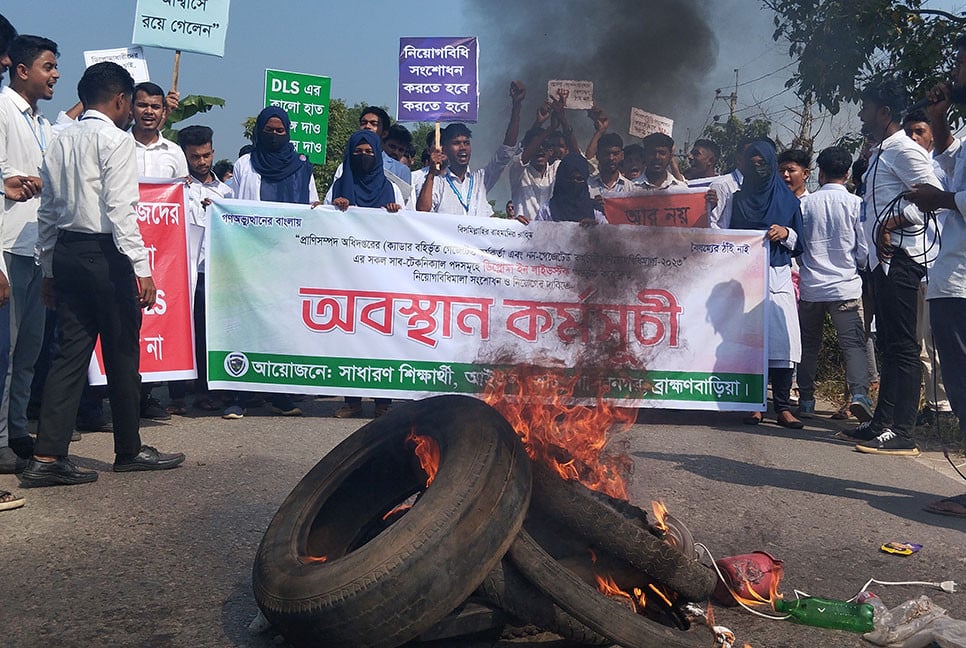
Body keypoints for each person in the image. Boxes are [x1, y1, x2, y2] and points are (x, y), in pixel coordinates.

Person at [20, 62, 185, 487]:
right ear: (120, 100)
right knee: (123, 353)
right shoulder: (116, 141)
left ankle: (48, 455)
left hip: (68, 252)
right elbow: (121, 211)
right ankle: (129, 450)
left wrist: (50, 269)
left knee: (71, 353)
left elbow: (49, 211)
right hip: (106, 254)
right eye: (131, 102)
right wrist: (142, 270)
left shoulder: (59, 139)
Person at [845, 79, 942, 456]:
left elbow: (931, 197)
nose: (860, 113)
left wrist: (891, 223)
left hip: (902, 259)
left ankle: (903, 431)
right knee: (886, 342)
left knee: (902, 346)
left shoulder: (904, 149)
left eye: (866, 107)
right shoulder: (880, 151)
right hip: (879, 263)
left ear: (884, 112)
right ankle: (881, 423)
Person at [905, 34, 966, 516]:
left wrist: (939, 201)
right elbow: (946, 163)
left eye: (963, 65)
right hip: (952, 279)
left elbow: (952, 193)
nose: (956, 73)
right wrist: (942, 117)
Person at [225, 106, 317, 419]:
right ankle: (239, 394)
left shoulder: (303, 166)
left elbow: (312, 206)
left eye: (280, 131)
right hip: (250, 257)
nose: (275, 135)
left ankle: (280, 395)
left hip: (286, 258)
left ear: (288, 132)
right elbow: (232, 207)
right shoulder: (244, 164)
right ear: (259, 131)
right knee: (247, 325)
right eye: (269, 130)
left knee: (281, 326)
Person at [0, 35, 58, 477]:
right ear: (22, 69)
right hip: (7, 248)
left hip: (36, 248)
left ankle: (18, 429)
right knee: (6, 349)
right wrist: (9, 179)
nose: (55, 73)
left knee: (29, 351)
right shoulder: (2, 111)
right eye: (47, 66)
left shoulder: (41, 123)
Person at [325, 130, 403, 419]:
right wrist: (336, 207)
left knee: (382, 338)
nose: (363, 157)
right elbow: (324, 222)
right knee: (351, 337)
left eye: (369, 152)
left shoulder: (389, 189)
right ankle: (352, 401)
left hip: (381, 277)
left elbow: (401, 230)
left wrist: (394, 212)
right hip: (347, 274)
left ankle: (384, 403)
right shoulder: (339, 186)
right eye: (357, 152)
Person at [726, 140, 804, 429]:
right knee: (752, 344)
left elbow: (801, 244)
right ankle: (754, 405)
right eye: (752, 161)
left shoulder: (788, 201)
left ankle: (783, 407)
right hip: (746, 279)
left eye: (763, 162)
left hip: (779, 275)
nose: (758, 167)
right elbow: (728, 238)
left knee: (782, 346)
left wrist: (785, 233)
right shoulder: (739, 199)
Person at [794, 146, 873, 421]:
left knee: (808, 345)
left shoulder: (805, 204)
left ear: (820, 172)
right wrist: (859, 266)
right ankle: (859, 395)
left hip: (812, 287)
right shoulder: (856, 204)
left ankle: (805, 400)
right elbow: (863, 248)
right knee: (853, 345)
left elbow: (798, 245)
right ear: (848, 173)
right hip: (846, 287)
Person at [130, 80, 189, 420]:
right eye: (142, 105)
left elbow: (180, 198)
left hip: (161, 251)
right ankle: (101, 398)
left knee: (155, 319)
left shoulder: (174, 153)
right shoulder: (118, 145)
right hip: (122, 246)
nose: (148, 111)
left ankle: (146, 394)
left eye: (155, 106)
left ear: (163, 111)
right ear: (131, 107)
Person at [174, 125, 234, 413]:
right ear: (185, 155)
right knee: (181, 332)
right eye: (195, 156)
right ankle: (176, 393)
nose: (202, 162)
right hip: (181, 270)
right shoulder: (175, 188)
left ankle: (208, 391)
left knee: (209, 333)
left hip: (213, 272)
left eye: (206, 155)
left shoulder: (226, 192)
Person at [902, 110, 955, 427]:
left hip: (942, 264)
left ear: (933, 135)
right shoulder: (907, 169)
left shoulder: (940, 168)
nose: (913, 138)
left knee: (937, 342)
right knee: (922, 342)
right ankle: (935, 403)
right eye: (909, 132)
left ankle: (945, 407)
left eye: (919, 131)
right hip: (921, 267)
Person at [415, 123, 502, 217]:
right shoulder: (439, 182)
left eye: (466, 143)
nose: (463, 148)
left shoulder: (480, 180)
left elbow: (505, 154)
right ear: (445, 149)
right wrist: (431, 173)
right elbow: (422, 212)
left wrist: (516, 112)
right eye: (456, 143)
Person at [532, 153, 606, 225]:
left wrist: (594, 229)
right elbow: (536, 234)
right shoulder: (547, 211)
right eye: (570, 178)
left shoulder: (595, 211)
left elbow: (608, 234)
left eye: (579, 179)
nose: (574, 183)